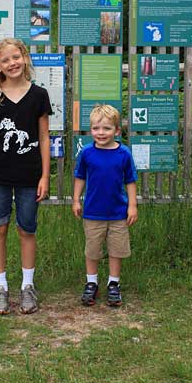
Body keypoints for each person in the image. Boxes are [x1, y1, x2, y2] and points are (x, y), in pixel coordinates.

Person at [0, 38, 51, 315]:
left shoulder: (39, 95)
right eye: (5, 60)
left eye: (16, 57)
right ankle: (0, 286)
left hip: (29, 175)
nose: (12, 63)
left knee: (27, 229)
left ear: (25, 57)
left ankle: (27, 286)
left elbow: (44, 138)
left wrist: (45, 176)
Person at [73, 105, 138, 307]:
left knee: (116, 250)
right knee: (92, 250)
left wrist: (132, 206)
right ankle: (91, 283)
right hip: (93, 212)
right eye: (96, 128)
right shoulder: (87, 153)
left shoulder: (124, 154)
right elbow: (80, 177)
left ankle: (113, 284)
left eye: (107, 128)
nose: (101, 133)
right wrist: (76, 200)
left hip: (118, 213)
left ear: (117, 131)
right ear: (91, 129)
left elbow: (130, 181)